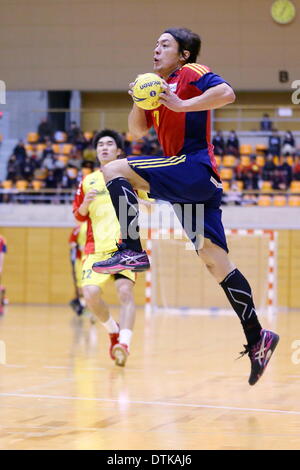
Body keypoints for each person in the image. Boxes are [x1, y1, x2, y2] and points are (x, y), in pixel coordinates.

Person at [92, 27, 279, 385]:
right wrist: (139, 98)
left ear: (183, 55)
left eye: (165, 45)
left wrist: (182, 103)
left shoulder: (190, 75)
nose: (156, 49)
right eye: (155, 44)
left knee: (114, 169)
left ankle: (130, 249)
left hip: (192, 167)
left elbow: (227, 93)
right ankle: (258, 337)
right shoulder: (156, 90)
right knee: (214, 261)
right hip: (191, 185)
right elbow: (135, 133)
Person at [73, 129, 138, 367]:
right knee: (90, 295)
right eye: (100, 144)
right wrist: (85, 205)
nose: (104, 147)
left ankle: (125, 342)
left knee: (124, 293)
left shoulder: (131, 176)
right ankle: (113, 332)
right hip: (95, 249)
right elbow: (78, 216)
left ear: (119, 150)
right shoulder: (88, 180)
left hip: (124, 247)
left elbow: (151, 197)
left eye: (110, 144)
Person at [69, 223, 88, 316]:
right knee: (80, 284)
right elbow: (71, 242)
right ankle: (82, 305)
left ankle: (86, 305)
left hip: (91, 260)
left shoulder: (96, 227)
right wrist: (79, 247)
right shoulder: (78, 228)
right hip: (80, 261)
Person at [0, 234, 7, 316]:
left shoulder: (1, 240)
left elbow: (2, 255)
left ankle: (0, 306)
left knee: (1, 288)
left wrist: (0, 268)